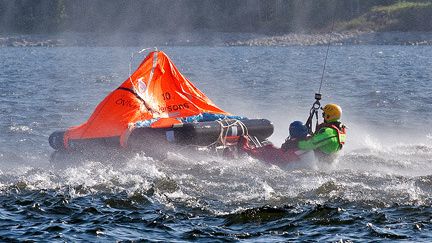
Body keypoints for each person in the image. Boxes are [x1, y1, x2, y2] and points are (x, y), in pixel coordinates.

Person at [239, 121, 311, 166]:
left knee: (267, 149)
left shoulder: (295, 144)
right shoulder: (307, 141)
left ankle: (245, 146)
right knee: (269, 147)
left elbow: (286, 155)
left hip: (282, 160)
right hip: (283, 159)